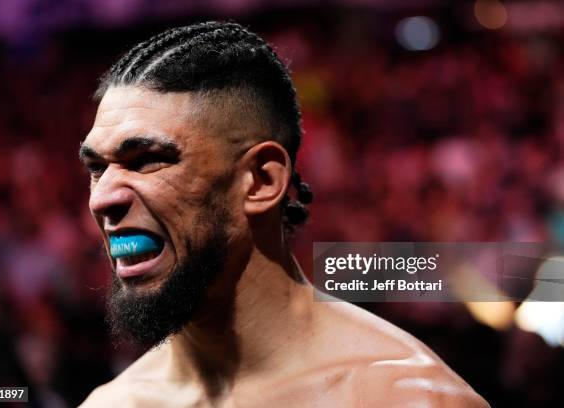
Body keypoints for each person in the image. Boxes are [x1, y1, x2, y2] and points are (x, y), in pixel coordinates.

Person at [78, 21, 489, 407]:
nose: (103, 199)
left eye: (148, 160)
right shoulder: (111, 403)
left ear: (260, 180)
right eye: (97, 168)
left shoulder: (404, 399)